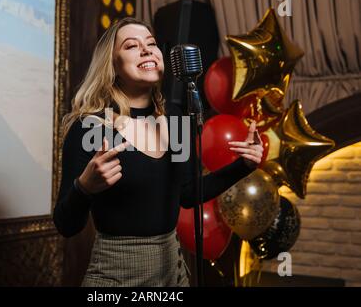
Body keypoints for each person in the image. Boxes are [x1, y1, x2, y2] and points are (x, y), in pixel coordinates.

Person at [53, 17, 264, 287]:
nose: (146, 49)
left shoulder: (175, 121)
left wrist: (243, 165)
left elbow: (188, 194)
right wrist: (84, 187)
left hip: (171, 273)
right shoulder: (91, 128)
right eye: (131, 46)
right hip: (117, 276)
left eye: (151, 43)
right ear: (112, 65)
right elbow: (65, 224)